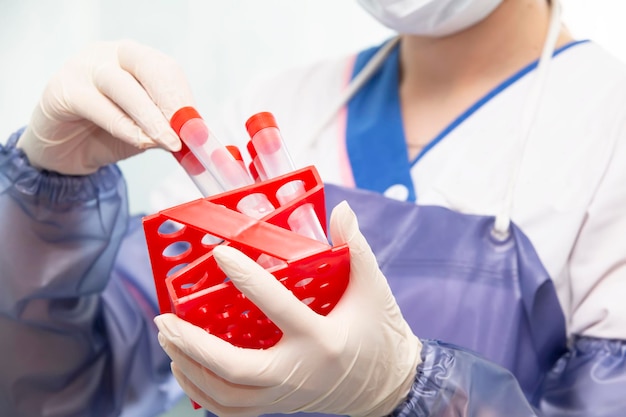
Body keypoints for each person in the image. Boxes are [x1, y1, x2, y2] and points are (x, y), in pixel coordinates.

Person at [1, 0, 626, 416]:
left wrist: (413, 390)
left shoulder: (607, 129)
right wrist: (49, 190)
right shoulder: (278, 106)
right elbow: (62, 384)